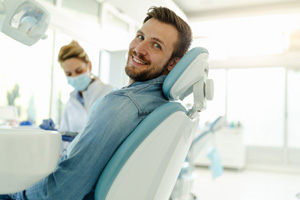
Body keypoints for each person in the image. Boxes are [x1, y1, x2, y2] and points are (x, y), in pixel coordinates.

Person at [4, 6, 192, 200]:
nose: (139, 49)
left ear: (173, 63)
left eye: (156, 45)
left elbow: (61, 191)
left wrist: (13, 193)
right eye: (140, 37)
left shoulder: (124, 103)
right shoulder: (157, 105)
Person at [40, 40, 114, 133]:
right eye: (69, 74)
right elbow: (64, 138)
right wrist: (53, 133)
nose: (74, 77)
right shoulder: (71, 103)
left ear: (89, 66)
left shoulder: (109, 93)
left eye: (79, 71)